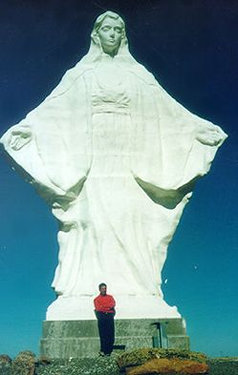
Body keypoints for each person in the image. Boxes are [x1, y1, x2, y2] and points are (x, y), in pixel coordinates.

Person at [0, 11, 227, 319]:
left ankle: (140, 287)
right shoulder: (80, 75)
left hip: (128, 156)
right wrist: (28, 129)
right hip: (94, 156)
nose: (111, 34)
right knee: (91, 219)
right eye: (106, 29)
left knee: (131, 215)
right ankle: (85, 287)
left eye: (117, 29)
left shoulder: (139, 75)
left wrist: (196, 129)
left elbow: (167, 110)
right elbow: (53, 110)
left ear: (123, 36)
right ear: (97, 34)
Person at [94, 283, 116, 356]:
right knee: (103, 334)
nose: (104, 290)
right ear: (99, 289)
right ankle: (103, 350)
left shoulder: (110, 297)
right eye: (102, 288)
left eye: (105, 288)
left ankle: (109, 350)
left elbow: (112, 304)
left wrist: (104, 307)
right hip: (102, 317)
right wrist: (107, 308)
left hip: (109, 316)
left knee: (110, 334)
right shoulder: (97, 299)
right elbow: (98, 308)